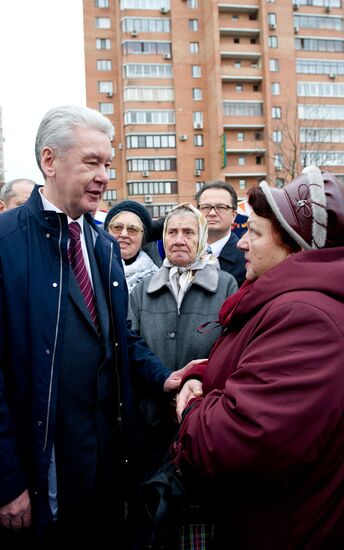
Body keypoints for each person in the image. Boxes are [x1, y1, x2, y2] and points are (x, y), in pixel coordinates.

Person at [0, 105, 194, 550]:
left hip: (101, 473)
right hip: (35, 474)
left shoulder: (102, 246)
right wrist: (5, 482)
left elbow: (122, 338)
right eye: (91, 162)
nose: (104, 175)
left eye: (107, 163)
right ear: (50, 161)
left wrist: (165, 378)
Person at [173, 165, 344, 549]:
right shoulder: (287, 304)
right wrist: (201, 373)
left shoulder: (305, 317)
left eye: (254, 232)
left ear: (293, 245)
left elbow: (242, 441)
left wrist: (192, 410)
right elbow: (258, 366)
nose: (241, 244)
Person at [129, 202, 238, 373]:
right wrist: (162, 380)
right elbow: (132, 347)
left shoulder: (226, 286)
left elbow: (231, 347)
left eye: (188, 233)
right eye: (172, 232)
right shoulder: (142, 290)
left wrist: (195, 380)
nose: (179, 241)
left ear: (201, 238)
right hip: (153, 394)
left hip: (205, 395)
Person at [196, 181, 246, 286]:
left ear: (234, 215)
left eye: (221, 207)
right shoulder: (182, 251)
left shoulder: (247, 260)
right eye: (205, 207)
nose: (212, 213)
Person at [104, 200, 159, 293]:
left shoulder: (157, 281)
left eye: (132, 229)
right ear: (107, 232)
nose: (124, 234)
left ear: (143, 237)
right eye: (117, 227)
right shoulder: (90, 271)